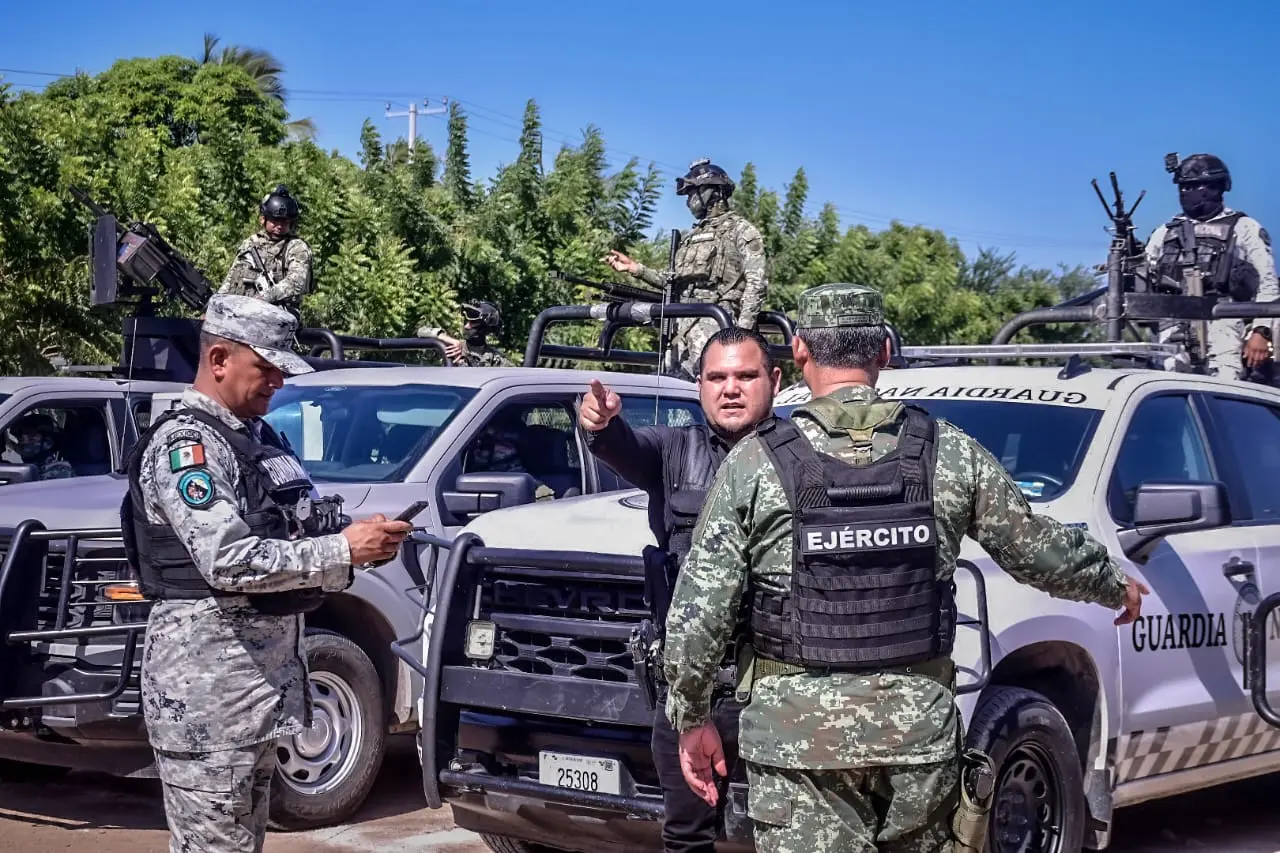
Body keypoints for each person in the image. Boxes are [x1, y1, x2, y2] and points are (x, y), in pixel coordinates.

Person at [663, 283, 1149, 852]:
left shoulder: (754, 462)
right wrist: (1111, 581)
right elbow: (1032, 546)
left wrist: (691, 717)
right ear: (884, 353)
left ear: (798, 353)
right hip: (917, 735)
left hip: (797, 739)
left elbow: (698, 614)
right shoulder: (948, 451)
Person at [124, 293, 412, 853]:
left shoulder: (257, 438)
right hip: (208, 702)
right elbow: (227, 559)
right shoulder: (188, 445)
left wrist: (355, 538)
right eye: (266, 368)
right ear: (219, 360)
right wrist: (342, 552)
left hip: (259, 697)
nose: (276, 383)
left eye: (282, 371)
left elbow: (290, 530)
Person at [578, 326, 781, 853]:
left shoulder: (800, 457)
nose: (730, 388)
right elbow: (623, 446)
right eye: (717, 377)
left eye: (745, 375)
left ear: (774, 381)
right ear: (699, 386)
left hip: (779, 689)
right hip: (693, 691)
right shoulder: (673, 451)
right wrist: (602, 424)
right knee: (687, 836)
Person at [604, 158, 768, 381]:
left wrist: (740, 334)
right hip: (680, 326)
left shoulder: (741, 231)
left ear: (712, 192)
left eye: (693, 192)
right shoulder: (690, 237)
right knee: (671, 390)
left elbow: (756, 284)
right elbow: (672, 282)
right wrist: (636, 268)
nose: (689, 200)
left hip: (718, 324)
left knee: (710, 389)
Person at [1144, 153, 1279, 379]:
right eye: (1183, 188)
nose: (1187, 193)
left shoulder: (1243, 227)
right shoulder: (1166, 232)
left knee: (1225, 383)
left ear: (1216, 188)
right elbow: (1144, 276)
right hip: (1174, 322)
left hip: (1224, 318)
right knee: (1168, 382)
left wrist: (1261, 332)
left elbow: (1268, 283)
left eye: (1194, 187)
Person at [220, 184, 314, 315]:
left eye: (285, 222)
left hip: (279, 313)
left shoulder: (296, 247)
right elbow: (231, 278)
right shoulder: (250, 243)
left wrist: (263, 298)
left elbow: (295, 283)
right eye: (275, 220)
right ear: (263, 219)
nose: (280, 226)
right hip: (240, 310)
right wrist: (218, 302)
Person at [417, 300, 513, 366]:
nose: (466, 326)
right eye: (466, 322)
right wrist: (448, 339)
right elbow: (420, 331)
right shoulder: (451, 348)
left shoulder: (497, 360)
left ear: (486, 328)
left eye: (473, 323)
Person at [10, 413, 74, 479]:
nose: (25, 442)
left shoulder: (60, 470)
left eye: (31, 437)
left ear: (48, 440)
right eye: (20, 438)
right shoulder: (25, 469)